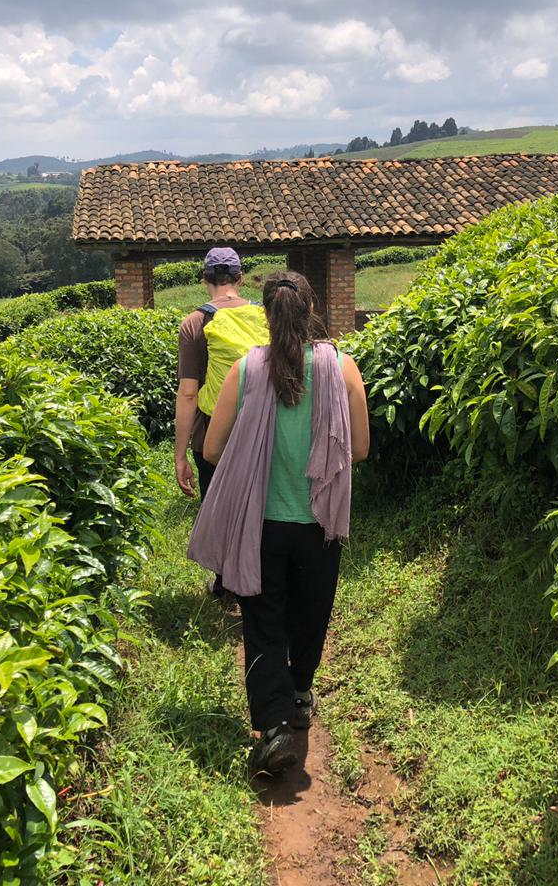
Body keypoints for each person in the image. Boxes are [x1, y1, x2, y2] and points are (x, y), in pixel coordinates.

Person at [187, 269, 369, 776]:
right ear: (311, 311)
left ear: (264, 316)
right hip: (320, 523)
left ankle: (273, 727)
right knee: (310, 614)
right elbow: (361, 448)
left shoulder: (245, 370)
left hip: (261, 525)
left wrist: (257, 449)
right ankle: (302, 693)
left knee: (264, 621)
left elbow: (212, 448)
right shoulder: (343, 368)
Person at [175, 247, 268, 596]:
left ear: (206, 280)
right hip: (261, 425)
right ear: (240, 279)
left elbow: (187, 394)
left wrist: (180, 453)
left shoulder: (195, 323)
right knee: (260, 500)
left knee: (218, 503)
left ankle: (226, 581)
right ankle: (261, 572)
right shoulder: (264, 315)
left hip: (213, 433)